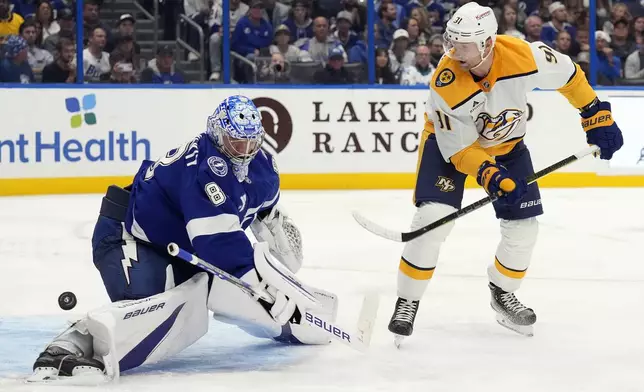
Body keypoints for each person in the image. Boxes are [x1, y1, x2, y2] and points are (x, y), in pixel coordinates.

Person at [29, 96, 337, 382]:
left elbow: (266, 220)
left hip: (177, 245)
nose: (243, 150)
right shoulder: (205, 168)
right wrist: (265, 287)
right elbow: (220, 246)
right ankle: (71, 345)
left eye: (250, 141)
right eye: (235, 140)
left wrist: (283, 283)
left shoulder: (264, 168)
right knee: (171, 306)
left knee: (218, 292)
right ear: (217, 134)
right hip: (128, 236)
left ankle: (289, 328)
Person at [388, 2, 623, 345]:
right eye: (450, 41)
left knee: (524, 228)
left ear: (487, 43)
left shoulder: (524, 56)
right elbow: (461, 151)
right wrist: (491, 176)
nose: (452, 50)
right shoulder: (446, 81)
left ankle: (503, 292)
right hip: (448, 147)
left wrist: (593, 113)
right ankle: (407, 300)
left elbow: (569, 74)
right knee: (432, 220)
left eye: (462, 43)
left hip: (508, 145)